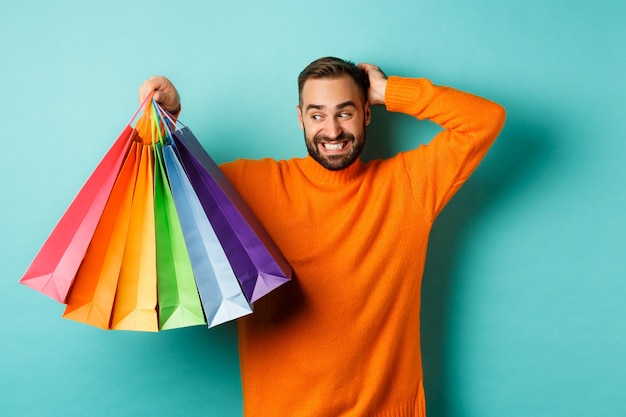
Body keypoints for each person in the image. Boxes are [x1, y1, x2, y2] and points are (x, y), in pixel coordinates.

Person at [139, 57, 506, 417]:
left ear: (367, 114)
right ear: (300, 118)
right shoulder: (250, 187)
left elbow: (484, 121)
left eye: (345, 112)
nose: (332, 131)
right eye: (317, 115)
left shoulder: (409, 186)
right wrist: (165, 122)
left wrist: (387, 89)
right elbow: (158, 190)